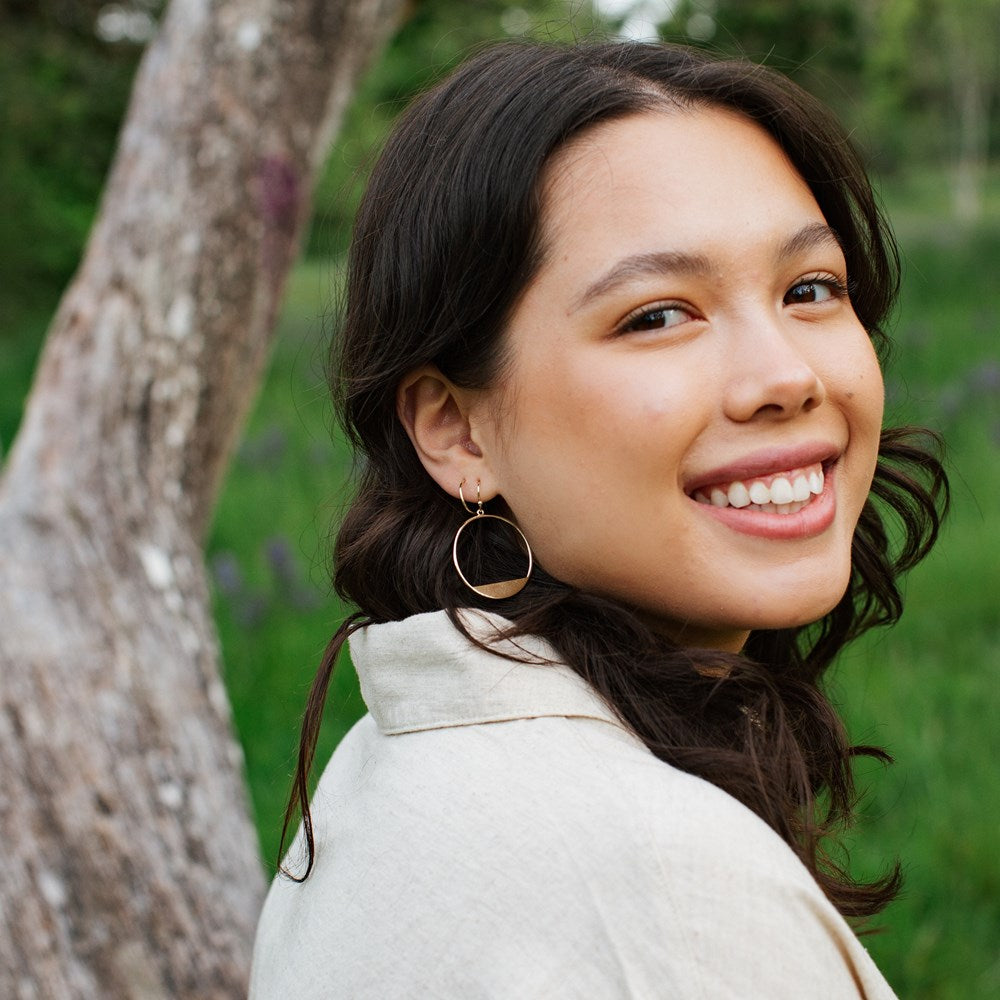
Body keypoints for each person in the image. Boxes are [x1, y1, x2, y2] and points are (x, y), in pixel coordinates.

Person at [249, 40, 947, 998]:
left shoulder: (394, 765)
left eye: (810, 289)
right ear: (457, 430)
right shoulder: (673, 895)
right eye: (658, 315)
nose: (787, 375)